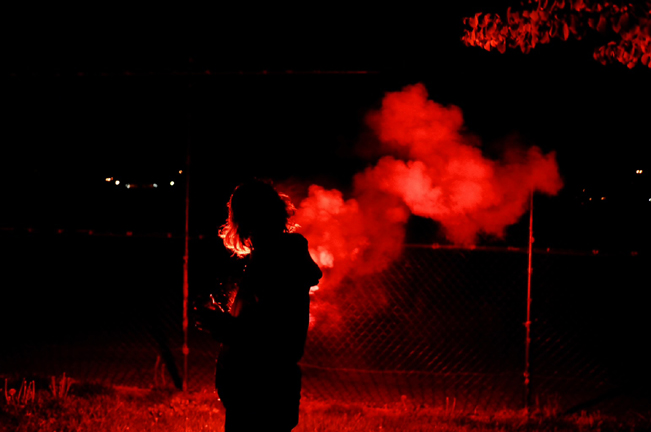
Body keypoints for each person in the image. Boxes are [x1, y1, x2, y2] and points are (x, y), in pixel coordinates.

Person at [197, 179, 322, 432]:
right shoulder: (274, 255)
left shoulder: (274, 260)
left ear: (245, 219)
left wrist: (218, 324)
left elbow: (265, 335)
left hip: (259, 386)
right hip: (268, 386)